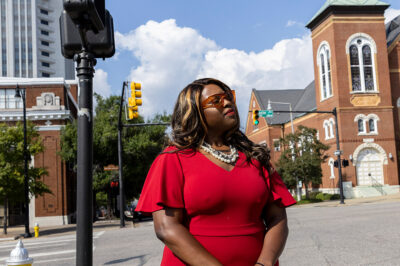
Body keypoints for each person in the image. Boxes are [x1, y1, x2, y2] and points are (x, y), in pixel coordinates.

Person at [135, 78, 296, 266]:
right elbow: (166, 228)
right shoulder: (173, 158)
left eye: (229, 97)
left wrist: (265, 262)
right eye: (216, 100)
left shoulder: (256, 157)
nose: (228, 102)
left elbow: (278, 218)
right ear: (194, 112)